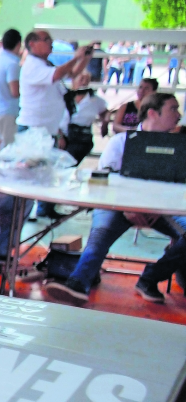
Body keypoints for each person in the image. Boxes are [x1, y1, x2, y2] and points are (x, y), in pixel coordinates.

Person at [45, 93, 185, 304]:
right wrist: (128, 207)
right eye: (173, 109)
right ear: (153, 113)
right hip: (116, 206)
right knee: (99, 238)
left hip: (159, 211)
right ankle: (77, 284)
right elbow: (104, 182)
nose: (178, 115)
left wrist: (157, 208)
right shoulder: (121, 142)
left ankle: (150, 278)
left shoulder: (179, 148)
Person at [17, 30, 92, 217]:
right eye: (46, 39)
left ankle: (44, 208)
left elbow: (70, 74)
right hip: (33, 130)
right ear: (32, 44)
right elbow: (58, 74)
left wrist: (84, 59)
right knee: (29, 177)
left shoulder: (44, 64)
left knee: (46, 172)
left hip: (47, 129)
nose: (51, 43)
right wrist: (76, 57)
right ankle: (24, 213)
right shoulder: (32, 65)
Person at [61, 72, 108, 163]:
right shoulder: (63, 96)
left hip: (81, 139)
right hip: (62, 135)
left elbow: (105, 113)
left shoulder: (94, 100)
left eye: (87, 80)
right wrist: (59, 136)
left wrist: (105, 124)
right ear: (73, 80)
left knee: (69, 159)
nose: (84, 82)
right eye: (81, 79)